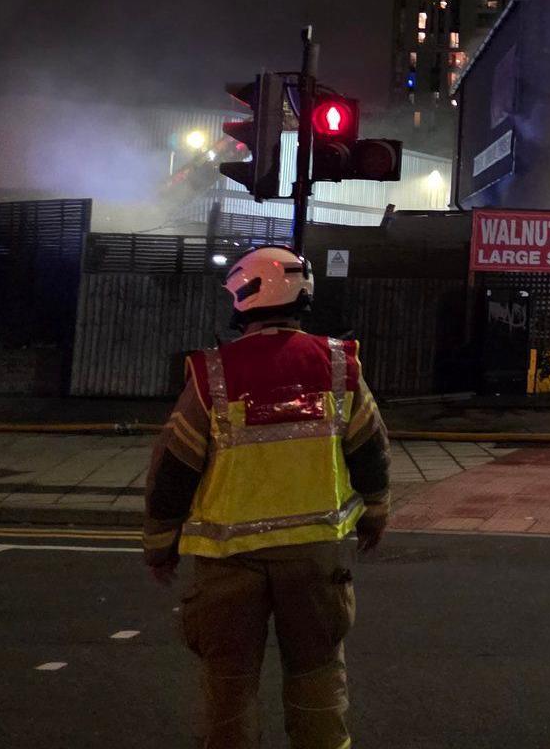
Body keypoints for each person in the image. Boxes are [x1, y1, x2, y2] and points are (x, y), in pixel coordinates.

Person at [142, 244, 391, 749]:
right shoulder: (340, 365)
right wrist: (376, 511)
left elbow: (174, 465)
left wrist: (159, 543)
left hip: (227, 559)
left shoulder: (215, 374)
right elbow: (371, 447)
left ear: (243, 297)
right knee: (318, 677)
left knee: (229, 690)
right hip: (314, 555)